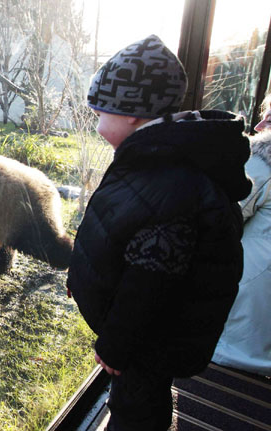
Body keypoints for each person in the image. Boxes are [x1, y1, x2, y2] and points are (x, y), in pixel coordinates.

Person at [66, 34, 252, 431]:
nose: (96, 124)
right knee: (138, 396)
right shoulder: (155, 157)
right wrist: (83, 276)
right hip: (149, 331)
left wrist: (116, 347)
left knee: (137, 406)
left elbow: (150, 282)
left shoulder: (170, 178)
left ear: (132, 112)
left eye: (100, 113)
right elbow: (123, 229)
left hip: (150, 338)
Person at [212, 93, 271, 375]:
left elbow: (219, 218)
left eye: (269, 118)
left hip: (249, 291)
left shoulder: (262, 163)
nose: (259, 126)